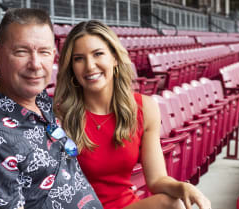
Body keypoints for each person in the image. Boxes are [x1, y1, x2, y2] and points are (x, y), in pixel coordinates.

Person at [53, 20, 212, 209]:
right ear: (71, 67)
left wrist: (184, 187)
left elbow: (157, 180)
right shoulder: (60, 116)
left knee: (173, 203)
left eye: (98, 54)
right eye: (79, 58)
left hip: (126, 206)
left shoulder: (144, 108)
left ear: (114, 58)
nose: (89, 66)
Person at [0, 9, 103, 209]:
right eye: (21, 52)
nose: (35, 64)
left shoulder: (43, 102)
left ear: (53, 56)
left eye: (43, 52)